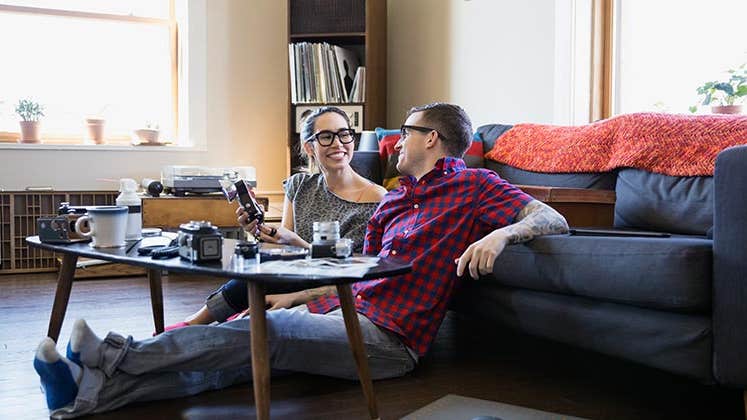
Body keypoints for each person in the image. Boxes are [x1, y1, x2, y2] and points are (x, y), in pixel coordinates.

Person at [33, 103, 569, 417]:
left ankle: (109, 355)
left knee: (263, 331)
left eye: (403, 132)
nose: (391, 143)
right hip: (346, 313)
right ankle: (82, 398)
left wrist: (500, 236)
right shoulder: (400, 196)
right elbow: (350, 265)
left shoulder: (474, 185)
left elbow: (551, 217)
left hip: (391, 342)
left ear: (431, 139)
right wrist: (293, 255)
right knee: (234, 362)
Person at [165, 106, 387, 329]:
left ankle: (195, 325)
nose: (338, 143)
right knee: (256, 267)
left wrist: (295, 243)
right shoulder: (299, 185)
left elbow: (353, 270)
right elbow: (283, 251)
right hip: (293, 273)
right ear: (310, 146)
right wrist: (259, 232)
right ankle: (194, 324)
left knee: (259, 278)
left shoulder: (377, 200)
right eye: (327, 137)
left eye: (344, 134)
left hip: (330, 284)